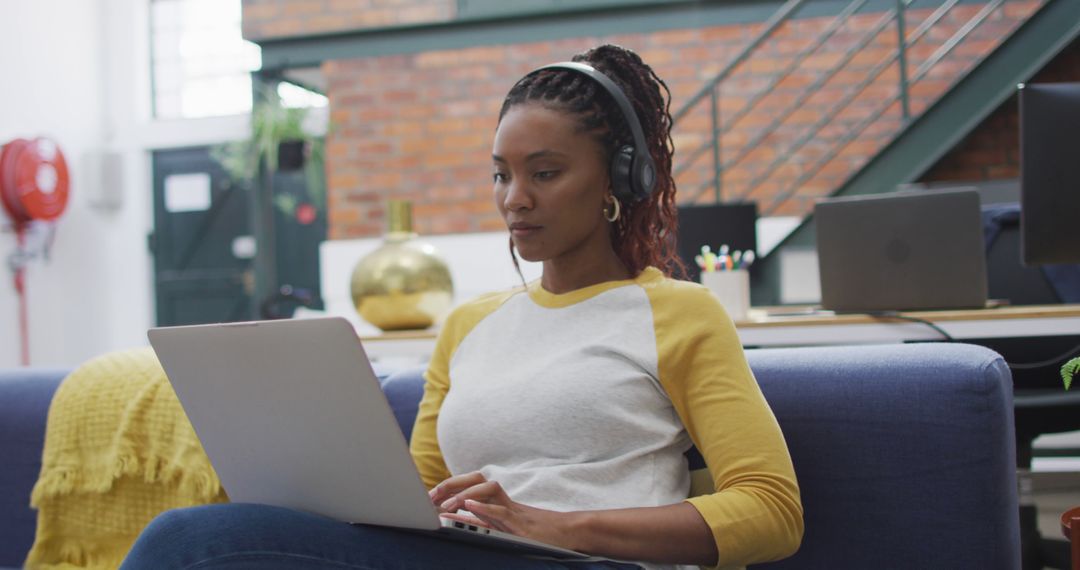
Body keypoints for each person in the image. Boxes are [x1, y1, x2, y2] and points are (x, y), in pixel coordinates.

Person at [121, 44, 802, 570]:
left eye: (544, 172)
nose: (514, 199)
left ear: (617, 179)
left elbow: (772, 511)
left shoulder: (679, 314)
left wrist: (549, 524)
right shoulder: (470, 326)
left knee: (193, 543)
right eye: (502, 174)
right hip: (465, 555)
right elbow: (417, 496)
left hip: (587, 560)